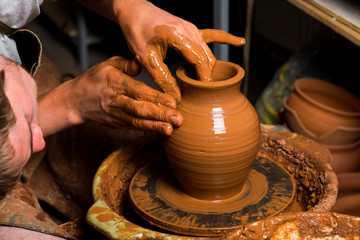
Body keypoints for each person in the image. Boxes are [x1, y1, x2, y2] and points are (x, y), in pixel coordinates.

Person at [0, 0, 245, 239]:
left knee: (143, 141)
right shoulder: (14, 92)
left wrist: (128, 7)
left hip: (24, 71)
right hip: (24, 87)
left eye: (28, 118)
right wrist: (69, 104)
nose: (38, 142)